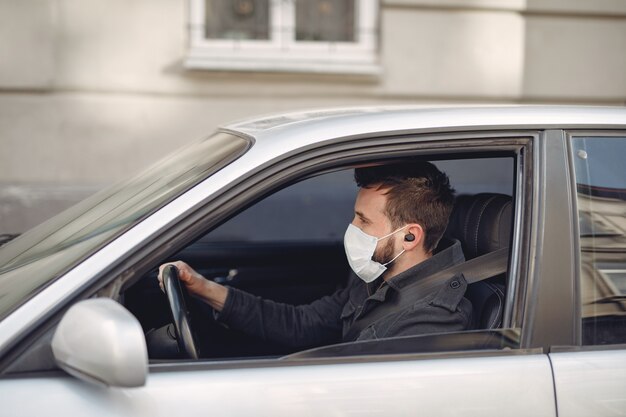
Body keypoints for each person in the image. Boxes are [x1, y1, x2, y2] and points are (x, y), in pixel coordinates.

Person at [158, 161, 471, 349]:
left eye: (363, 220)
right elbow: (302, 324)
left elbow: (366, 397)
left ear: (410, 236)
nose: (351, 228)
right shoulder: (377, 277)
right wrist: (203, 288)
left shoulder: (433, 320)